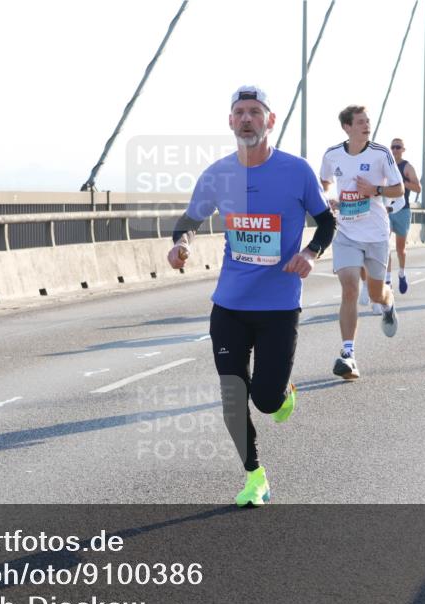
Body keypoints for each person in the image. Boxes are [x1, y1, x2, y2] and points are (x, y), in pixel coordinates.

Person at [168, 85, 336, 507]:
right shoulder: (218, 174)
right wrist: (181, 244)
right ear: (230, 121)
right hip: (230, 306)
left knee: (265, 399)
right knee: (232, 396)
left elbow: (326, 222)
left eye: (255, 112)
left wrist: (310, 253)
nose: (247, 119)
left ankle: (282, 393)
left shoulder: (296, 171)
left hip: (279, 307)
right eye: (239, 112)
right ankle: (254, 476)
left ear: (270, 120)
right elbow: (188, 220)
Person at [320, 105, 404, 380]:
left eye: (368, 122)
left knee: (377, 295)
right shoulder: (333, 155)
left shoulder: (381, 154)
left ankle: (389, 304)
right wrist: (329, 198)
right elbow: (324, 183)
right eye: (360, 122)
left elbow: (399, 189)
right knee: (349, 288)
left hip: (376, 234)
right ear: (347, 127)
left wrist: (375, 190)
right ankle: (348, 354)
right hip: (346, 233)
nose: (367, 126)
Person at [384, 137, 422, 294]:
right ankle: (387, 280)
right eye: (393, 147)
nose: (395, 150)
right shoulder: (385, 166)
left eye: (398, 147)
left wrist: (402, 183)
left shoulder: (407, 167)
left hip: (403, 211)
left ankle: (401, 273)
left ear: (403, 150)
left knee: (400, 249)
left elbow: (418, 188)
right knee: (385, 246)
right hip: (386, 210)